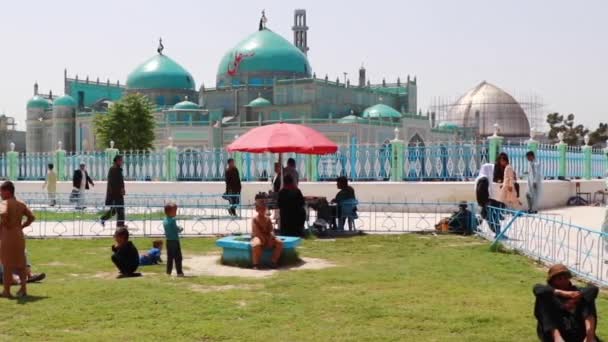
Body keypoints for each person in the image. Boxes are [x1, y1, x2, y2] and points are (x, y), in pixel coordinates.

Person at [533, 264, 600, 342]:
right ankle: (557, 338)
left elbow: (593, 289)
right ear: (552, 280)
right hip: (557, 330)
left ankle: (590, 337)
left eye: (565, 278)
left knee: (588, 297)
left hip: (576, 330)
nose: (563, 281)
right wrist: (563, 294)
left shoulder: (575, 290)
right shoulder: (548, 292)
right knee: (542, 299)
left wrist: (575, 298)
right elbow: (537, 289)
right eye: (559, 279)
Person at [0, 181, 35, 298]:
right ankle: (23, 289)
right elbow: (32, 217)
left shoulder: (4, 203)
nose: (0, 194)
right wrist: (23, 225)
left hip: (7, 236)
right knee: (21, 263)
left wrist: (6, 223)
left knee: (7, 264)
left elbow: (3, 213)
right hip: (19, 235)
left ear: (7, 191)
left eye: (1, 191)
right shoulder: (21, 203)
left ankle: (6, 291)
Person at [251, 197, 283, 269]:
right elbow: (257, 232)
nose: (262, 210)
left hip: (267, 236)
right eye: (260, 208)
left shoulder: (268, 219)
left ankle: (273, 261)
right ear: (257, 210)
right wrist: (264, 240)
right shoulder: (254, 219)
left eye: (264, 208)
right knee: (256, 244)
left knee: (279, 243)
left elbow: (271, 230)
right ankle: (256, 264)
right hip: (258, 237)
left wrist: (271, 237)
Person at [475, 163, 505, 235]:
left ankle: (497, 231)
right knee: (490, 217)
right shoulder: (484, 179)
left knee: (487, 216)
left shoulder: (482, 178)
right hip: (487, 202)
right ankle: (497, 232)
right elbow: (482, 192)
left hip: (485, 202)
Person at [101, 155, 125, 227]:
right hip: (115, 195)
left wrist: (122, 189)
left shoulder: (118, 169)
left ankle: (103, 219)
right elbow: (112, 184)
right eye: (121, 160)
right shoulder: (113, 169)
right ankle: (120, 227)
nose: (122, 162)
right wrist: (114, 195)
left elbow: (120, 181)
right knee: (120, 211)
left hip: (118, 194)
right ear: (117, 161)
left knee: (114, 211)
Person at [163, 202, 184, 276]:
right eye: (175, 211)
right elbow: (175, 229)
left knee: (170, 257)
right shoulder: (173, 220)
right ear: (169, 212)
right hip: (174, 241)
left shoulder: (165, 219)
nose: (176, 212)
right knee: (178, 257)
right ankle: (179, 272)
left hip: (168, 241)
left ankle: (168, 272)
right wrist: (180, 228)